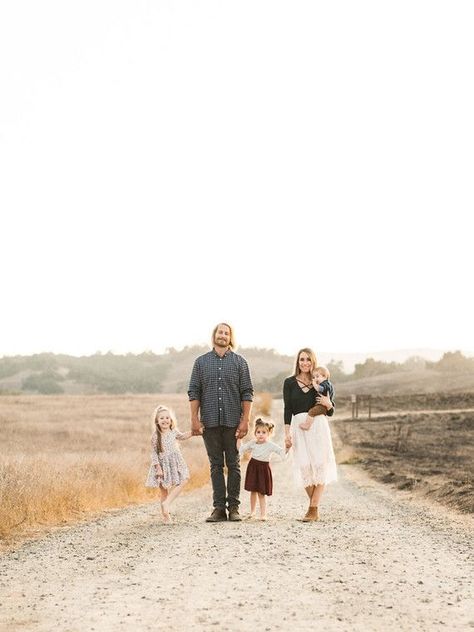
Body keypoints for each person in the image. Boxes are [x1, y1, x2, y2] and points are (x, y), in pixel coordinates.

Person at [188, 322, 254, 522]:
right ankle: (218, 509)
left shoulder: (240, 363)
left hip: (233, 421)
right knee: (215, 465)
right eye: (220, 332)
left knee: (233, 464)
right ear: (214, 335)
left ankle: (233, 508)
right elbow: (194, 391)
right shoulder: (201, 363)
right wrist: (194, 419)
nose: (223, 335)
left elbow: (247, 392)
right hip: (209, 421)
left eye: (226, 333)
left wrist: (245, 420)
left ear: (230, 337)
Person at [283, 348, 337, 521]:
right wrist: (286, 434)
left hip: (318, 426)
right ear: (297, 362)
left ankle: (313, 509)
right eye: (301, 359)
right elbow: (287, 409)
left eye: (308, 359)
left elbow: (329, 410)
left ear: (313, 361)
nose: (304, 363)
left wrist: (329, 405)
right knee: (304, 466)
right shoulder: (289, 382)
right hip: (299, 427)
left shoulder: (320, 381)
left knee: (320, 465)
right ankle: (314, 506)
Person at [145, 404, 192, 524]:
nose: (165, 420)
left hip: (175, 462)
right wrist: (158, 468)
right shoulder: (156, 436)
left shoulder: (173, 431)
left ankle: (168, 502)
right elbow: (154, 454)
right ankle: (166, 516)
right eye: (162, 418)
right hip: (162, 465)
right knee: (164, 490)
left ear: (171, 420)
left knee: (185, 478)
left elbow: (182, 436)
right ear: (157, 421)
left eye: (167, 418)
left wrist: (195, 432)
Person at [239, 418, 289, 520]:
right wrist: (239, 439)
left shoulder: (270, 445)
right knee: (253, 491)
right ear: (255, 433)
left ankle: (263, 514)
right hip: (253, 467)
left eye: (264, 432)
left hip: (263, 469)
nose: (261, 434)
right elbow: (242, 449)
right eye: (258, 432)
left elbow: (281, 453)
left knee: (261, 493)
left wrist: (288, 448)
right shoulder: (253, 443)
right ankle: (252, 512)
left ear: (269, 433)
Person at [299, 366, 335, 430]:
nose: (315, 379)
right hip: (322, 406)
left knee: (311, 412)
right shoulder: (327, 384)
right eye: (314, 377)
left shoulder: (325, 384)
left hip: (322, 406)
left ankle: (307, 425)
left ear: (324, 377)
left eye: (317, 376)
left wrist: (314, 384)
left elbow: (320, 389)